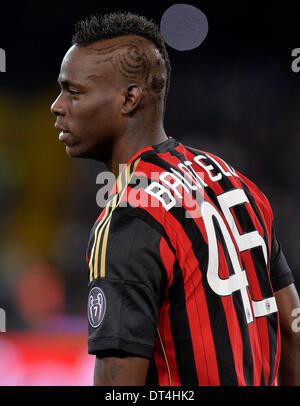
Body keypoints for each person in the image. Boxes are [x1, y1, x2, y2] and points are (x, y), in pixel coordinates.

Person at [50, 12, 300, 386]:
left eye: (73, 91)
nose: (57, 105)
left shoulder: (127, 220)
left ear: (129, 98)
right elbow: (292, 328)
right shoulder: (232, 181)